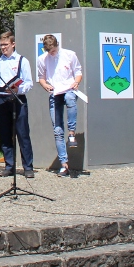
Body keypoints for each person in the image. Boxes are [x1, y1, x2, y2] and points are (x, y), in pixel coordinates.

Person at [36, 34, 82, 177]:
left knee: (70, 99)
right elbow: (41, 77)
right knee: (57, 130)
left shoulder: (69, 54)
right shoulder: (42, 59)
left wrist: (76, 82)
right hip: (55, 92)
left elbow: (78, 71)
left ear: (57, 45)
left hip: (68, 88)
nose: (52, 54)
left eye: (54, 51)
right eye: (49, 52)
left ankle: (72, 132)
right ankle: (64, 164)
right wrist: (45, 85)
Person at [0, 31, 34, 178]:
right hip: (2, 99)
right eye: (1, 45)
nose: (3, 48)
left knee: (23, 133)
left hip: (18, 98)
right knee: (5, 134)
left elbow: (29, 83)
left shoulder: (22, 60)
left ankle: (28, 166)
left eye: (6, 45)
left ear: (13, 44)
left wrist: (18, 89)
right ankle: (9, 165)